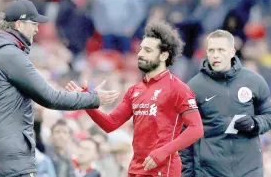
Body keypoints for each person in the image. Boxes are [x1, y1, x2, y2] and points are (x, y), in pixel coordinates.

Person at [0, 0, 119, 177]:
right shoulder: (10, 54)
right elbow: (50, 97)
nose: (36, 29)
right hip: (10, 157)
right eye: (33, 24)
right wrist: (94, 98)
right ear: (19, 24)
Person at [66, 21, 204, 177]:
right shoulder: (135, 90)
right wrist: (87, 101)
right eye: (140, 49)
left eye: (147, 50)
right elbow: (110, 124)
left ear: (164, 55)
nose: (140, 54)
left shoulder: (178, 88)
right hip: (136, 169)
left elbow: (196, 129)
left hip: (163, 169)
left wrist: (163, 152)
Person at [180, 30, 271, 177]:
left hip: (249, 170)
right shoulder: (194, 87)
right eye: (211, 50)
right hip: (209, 172)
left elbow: (268, 114)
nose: (216, 55)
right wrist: (187, 174)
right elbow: (184, 135)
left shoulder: (254, 81)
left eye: (221, 50)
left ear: (231, 52)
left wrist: (255, 123)